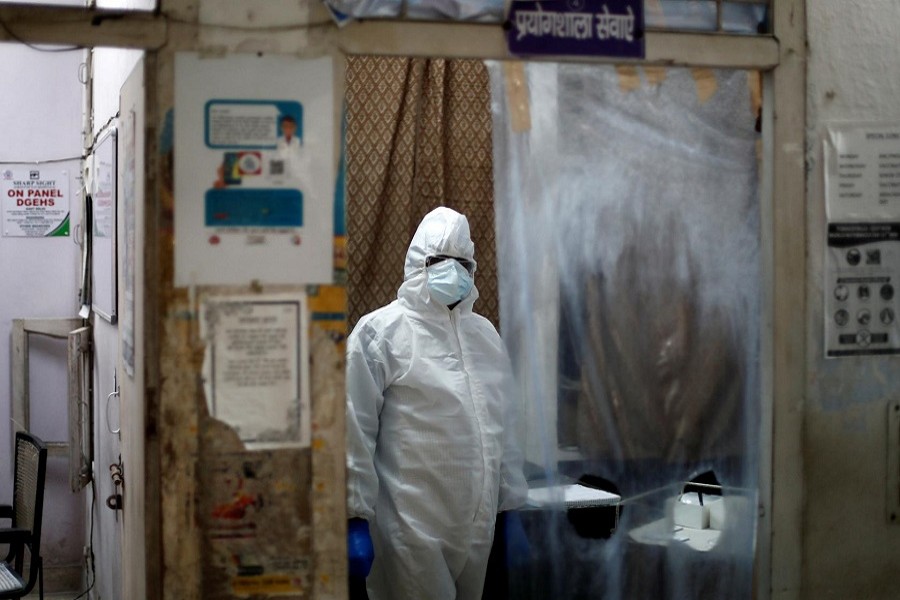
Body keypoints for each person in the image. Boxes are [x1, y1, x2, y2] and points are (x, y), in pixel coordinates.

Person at [345, 207, 528, 600]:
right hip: (410, 528)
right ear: (417, 264)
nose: (454, 271)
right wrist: (352, 516)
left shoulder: (485, 336)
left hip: (478, 528)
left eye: (463, 262)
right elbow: (353, 430)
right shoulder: (380, 332)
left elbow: (504, 428)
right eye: (440, 261)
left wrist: (511, 506)